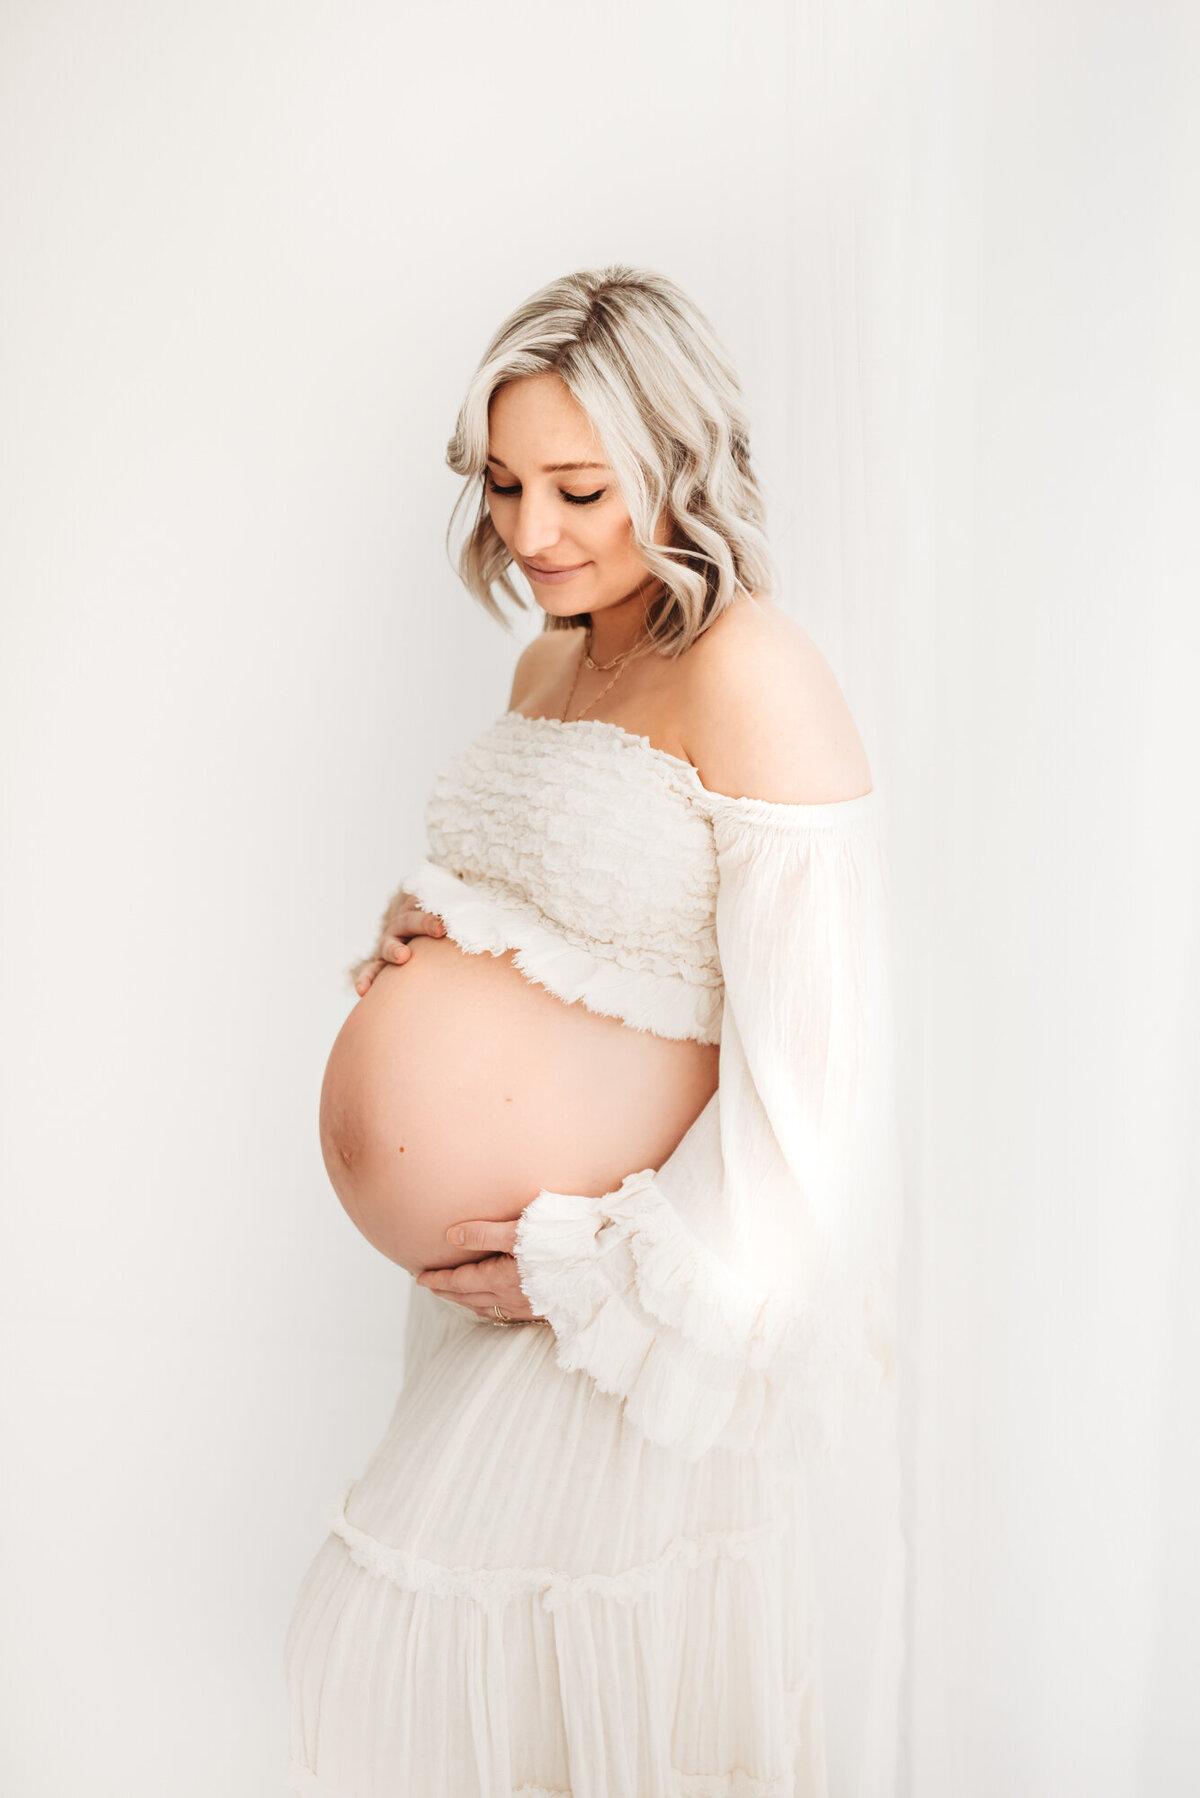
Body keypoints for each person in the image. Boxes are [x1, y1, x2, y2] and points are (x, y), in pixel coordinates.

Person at [285, 265, 903, 1798]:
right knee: (454, 1711)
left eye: (579, 487)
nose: (531, 532)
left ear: (680, 469)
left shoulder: (752, 669)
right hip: (503, 1302)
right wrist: (424, 934)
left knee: (586, 1712)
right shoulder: (549, 660)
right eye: (505, 485)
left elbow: (814, 1077)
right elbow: (575, 916)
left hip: (634, 1314)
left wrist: (594, 1267)